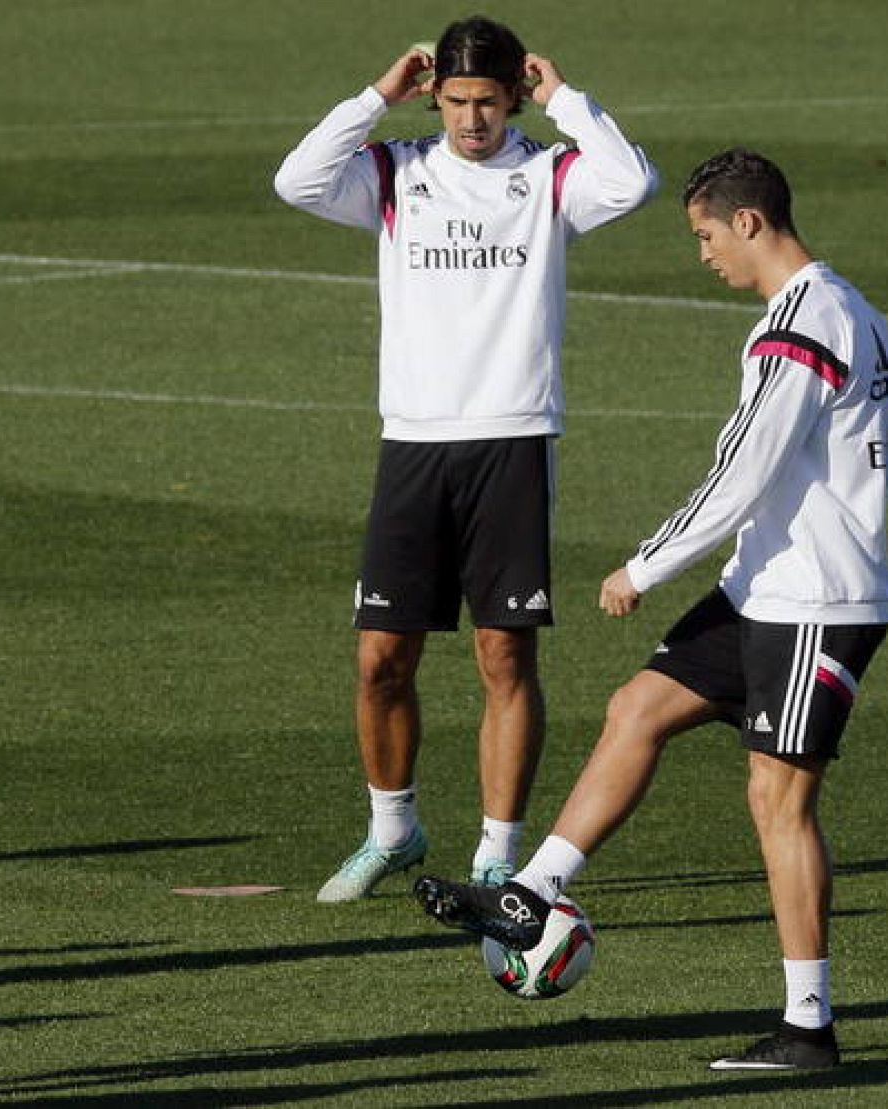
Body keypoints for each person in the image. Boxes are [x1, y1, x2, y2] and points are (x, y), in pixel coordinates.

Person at [414, 148, 888, 1069]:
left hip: (815, 600)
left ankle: (808, 1026)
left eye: (706, 234)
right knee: (639, 707)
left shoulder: (803, 324)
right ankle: (531, 891)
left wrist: (644, 566)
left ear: (749, 222)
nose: (703, 254)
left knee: (777, 799)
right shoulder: (846, 306)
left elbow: (746, 470)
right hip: (761, 591)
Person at [273, 17, 659, 902]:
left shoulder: (551, 175)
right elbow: (296, 180)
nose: (472, 119)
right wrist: (376, 97)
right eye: (455, 101)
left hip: (511, 437)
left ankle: (496, 852)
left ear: (514, 96)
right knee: (381, 657)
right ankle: (392, 828)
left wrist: (566, 100)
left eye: (488, 100)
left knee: (503, 655)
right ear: (433, 96)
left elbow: (633, 182)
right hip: (412, 441)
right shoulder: (395, 172)